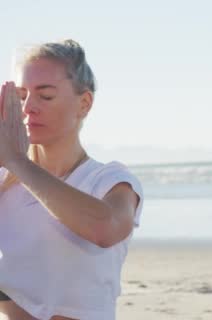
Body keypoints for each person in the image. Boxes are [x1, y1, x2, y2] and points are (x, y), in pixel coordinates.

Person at [0, 39, 143, 320]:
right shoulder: (5, 180)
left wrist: (17, 160)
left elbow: (106, 229)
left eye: (46, 95)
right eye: (22, 95)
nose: (29, 108)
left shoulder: (110, 180)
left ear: (84, 103)